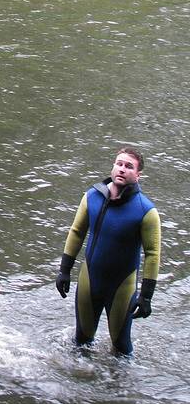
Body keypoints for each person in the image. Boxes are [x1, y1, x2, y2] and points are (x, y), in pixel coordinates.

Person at [56, 146, 161, 355]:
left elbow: (152, 254)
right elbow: (77, 232)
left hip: (122, 287)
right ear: (113, 167)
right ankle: (80, 383)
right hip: (89, 281)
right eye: (119, 164)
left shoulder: (146, 211)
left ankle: (119, 385)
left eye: (129, 166)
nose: (122, 169)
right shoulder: (91, 197)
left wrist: (146, 297)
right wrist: (64, 271)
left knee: (121, 349)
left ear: (138, 175)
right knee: (81, 342)